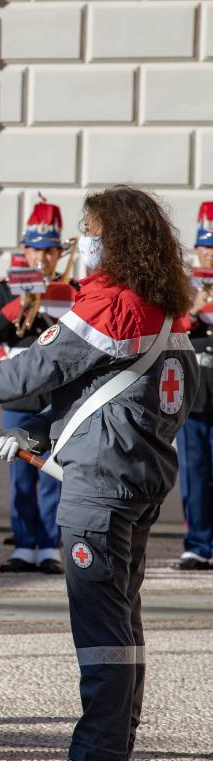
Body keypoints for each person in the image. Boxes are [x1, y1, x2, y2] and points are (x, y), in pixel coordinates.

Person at [0, 186, 196, 761]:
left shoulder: (113, 305)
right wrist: (37, 436)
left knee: (102, 632)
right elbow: (121, 397)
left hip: (101, 490)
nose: (79, 242)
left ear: (112, 237)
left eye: (86, 229)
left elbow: (32, 370)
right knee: (121, 627)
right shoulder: (164, 309)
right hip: (128, 479)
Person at [0, 200, 75, 574]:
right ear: (24, 251)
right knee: (20, 475)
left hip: (56, 393)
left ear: (58, 254)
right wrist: (20, 303)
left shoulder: (70, 291)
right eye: (34, 250)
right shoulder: (4, 289)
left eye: (48, 251)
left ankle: (49, 546)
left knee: (51, 473)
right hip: (20, 391)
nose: (41, 258)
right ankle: (23, 544)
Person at [174, 202, 213, 571]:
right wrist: (194, 310)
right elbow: (171, 329)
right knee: (195, 474)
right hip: (195, 395)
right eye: (206, 248)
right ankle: (197, 543)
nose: (210, 254)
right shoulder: (184, 289)